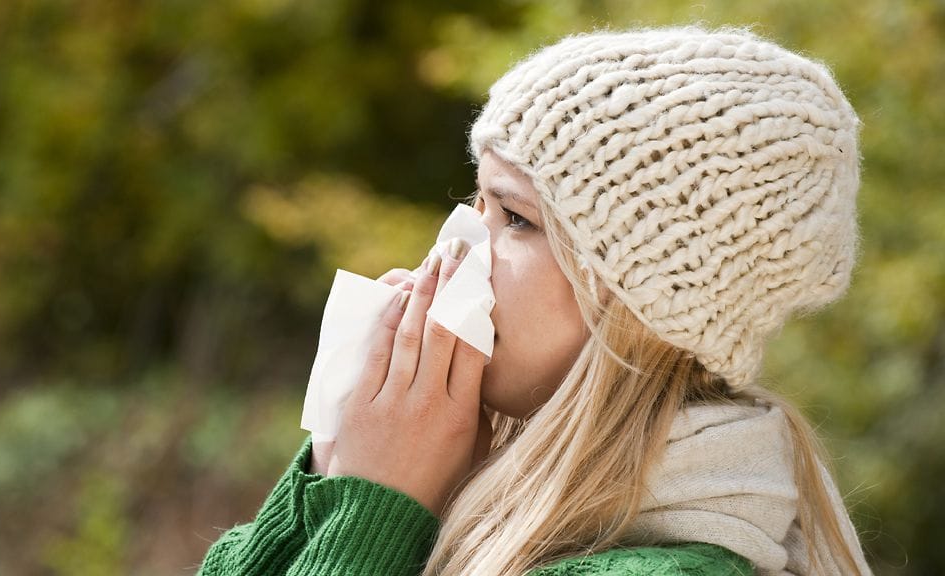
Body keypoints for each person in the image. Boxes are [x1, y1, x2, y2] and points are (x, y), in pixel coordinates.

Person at [196, 26, 873, 575]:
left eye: (514, 219)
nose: (455, 250)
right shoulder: (492, 490)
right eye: (475, 202)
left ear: (648, 300)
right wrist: (334, 471)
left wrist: (376, 510)